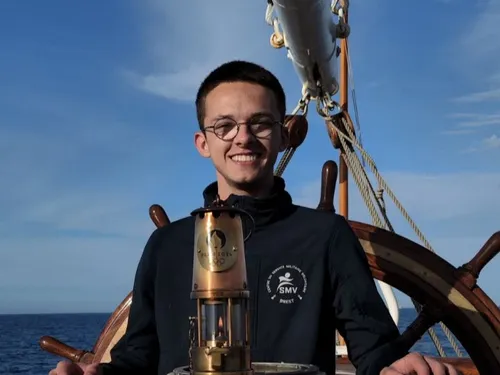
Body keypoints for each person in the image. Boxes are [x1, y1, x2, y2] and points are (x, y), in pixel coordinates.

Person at [49, 60, 461, 375]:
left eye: (260, 123)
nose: (243, 137)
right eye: (224, 126)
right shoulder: (166, 246)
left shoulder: (324, 236)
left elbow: (375, 352)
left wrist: (397, 366)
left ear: (283, 135)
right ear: (202, 143)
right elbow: (136, 360)